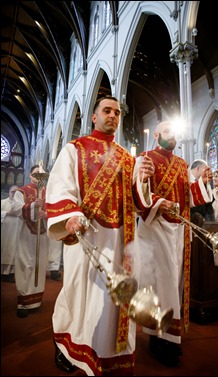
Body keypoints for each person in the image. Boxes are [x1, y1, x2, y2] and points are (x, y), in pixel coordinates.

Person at [45, 96, 155, 376]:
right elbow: (60, 185)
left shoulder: (127, 157)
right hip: (87, 234)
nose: (113, 116)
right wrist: (69, 214)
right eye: (107, 111)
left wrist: (142, 180)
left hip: (120, 240)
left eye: (117, 113)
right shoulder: (75, 149)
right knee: (79, 294)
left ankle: (106, 352)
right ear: (94, 117)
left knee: (111, 301)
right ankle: (67, 344)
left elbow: (140, 202)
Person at [136, 120, 213, 366]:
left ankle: (168, 337)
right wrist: (159, 202)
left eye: (175, 131)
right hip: (155, 229)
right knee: (162, 284)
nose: (173, 135)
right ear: (156, 135)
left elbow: (190, 196)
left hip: (179, 231)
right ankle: (160, 339)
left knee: (175, 283)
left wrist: (203, 182)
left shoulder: (181, 164)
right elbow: (139, 193)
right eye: (167, 131)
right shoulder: (144, 159)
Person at [11, 165, 50, 318]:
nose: (38, 177)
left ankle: (35, 300)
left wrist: (45, 213)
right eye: (35, 174)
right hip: (25, 234)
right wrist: (33, 206)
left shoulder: (49, 192)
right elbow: (15, 209)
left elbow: (54, 210)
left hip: (43, 234)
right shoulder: (22, 191)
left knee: (39, 265)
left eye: (41, 174)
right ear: (30, 175)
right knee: (25, 264)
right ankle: (22, 302)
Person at [1, 185, 20, 282]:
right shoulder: (2, 202)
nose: (14, 194)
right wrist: (7, 213)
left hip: (16, 231)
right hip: (4, 230)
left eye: (17, 192)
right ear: (9, 192)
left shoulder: (20, 204)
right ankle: (2, 273)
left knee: (13, 251)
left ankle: (10, 274)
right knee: (4, 250)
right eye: (13, 191)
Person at [189, 159, 214, 225]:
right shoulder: (185, 178)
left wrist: (211, 223)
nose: (207, 172)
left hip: (203, 223)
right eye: (205, 170)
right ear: (198, 168)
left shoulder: (202, 182)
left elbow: (208, 206)